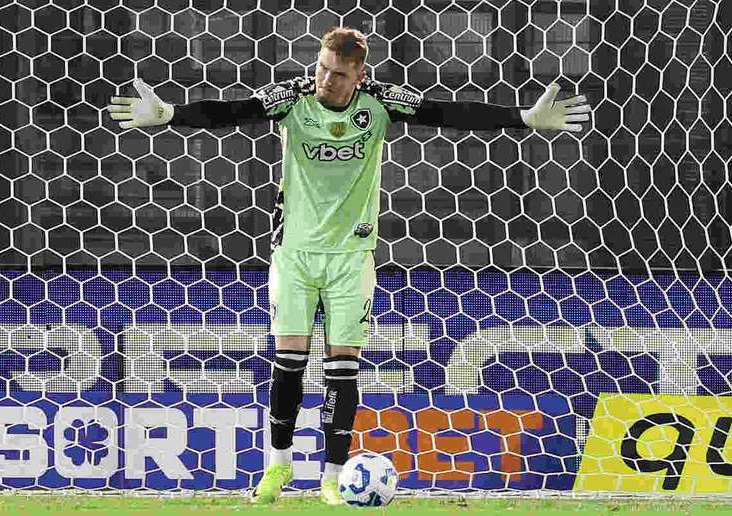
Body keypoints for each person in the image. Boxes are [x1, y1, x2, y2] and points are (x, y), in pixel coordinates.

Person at [108, 27, 591, 505]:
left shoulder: (380, 101)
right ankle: (277, 468)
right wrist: (169, 115)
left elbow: (449, 113)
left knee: (342, 370)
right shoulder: (292, 97)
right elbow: (232, 111)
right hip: (293, 255)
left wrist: (523, 119)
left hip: (352, 259)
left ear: (359, 73)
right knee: (289, 365)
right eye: (321, 68)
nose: (325, 80)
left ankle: (332, 479)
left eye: (337, 74)